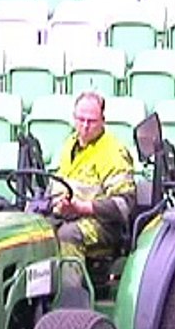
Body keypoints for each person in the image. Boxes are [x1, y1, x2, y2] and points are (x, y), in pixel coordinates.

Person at [51, 91, 137, 286]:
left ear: (103, 120)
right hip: (69, 215)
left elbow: (124, 205)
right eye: (81, 119)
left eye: (92, 121)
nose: (85, 126)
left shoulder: (113, 152)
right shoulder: (69, 145)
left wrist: (81, 208)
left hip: (104, 225)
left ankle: (71, 298)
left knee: (68, 235)